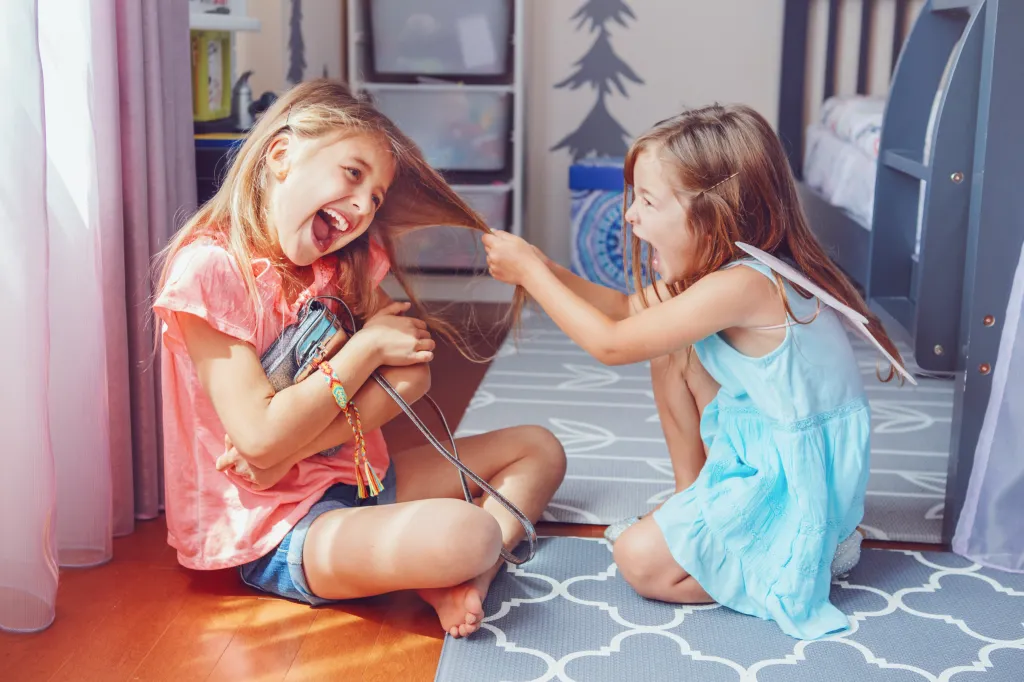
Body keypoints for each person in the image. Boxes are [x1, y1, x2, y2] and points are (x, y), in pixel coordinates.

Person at [152, 79, 565, 639]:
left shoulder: (345, 264)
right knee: (470, 534)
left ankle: (467, 578)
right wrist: (366, 346)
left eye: (375, 197)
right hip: (277, 524)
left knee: (538, 449)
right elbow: (259, 439)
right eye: (353, 174)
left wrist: (291, 450)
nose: (362, 206)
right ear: (281, 154)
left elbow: (412, 369)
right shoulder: (211, 271)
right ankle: (450, 563)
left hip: (360, 478)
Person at [482, 104, 907, 640]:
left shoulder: (746, 285)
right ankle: (697, 500)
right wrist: (540, 268)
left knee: (639, 561)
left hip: (796, 484)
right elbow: (621, 308)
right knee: (672, 348)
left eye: (648, 201)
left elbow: (611, 345)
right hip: (764, 446)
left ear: (714, 213)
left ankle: (800, 552)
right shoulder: (727, 271)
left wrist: (530, 276)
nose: (631, 216)